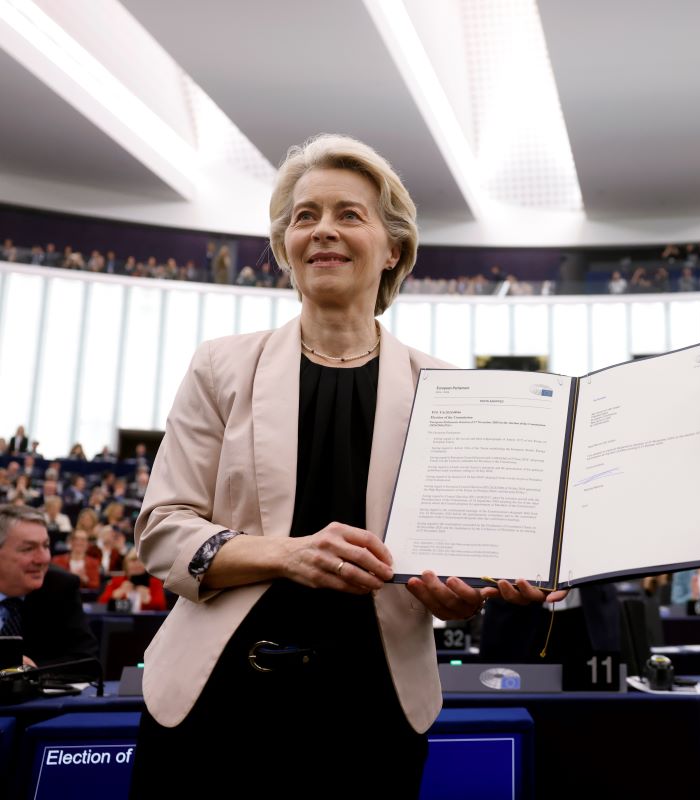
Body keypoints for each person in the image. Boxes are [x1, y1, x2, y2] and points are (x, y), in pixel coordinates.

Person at [129, 134, 561, 797]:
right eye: (306, 216)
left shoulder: (447, 390)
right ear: (287, 246)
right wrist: (287, 555)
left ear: (393, 249)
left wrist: (460, 597)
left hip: (374, 713)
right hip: (216, 703)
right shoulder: (221, 366)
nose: (322, 231)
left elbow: (454, 566)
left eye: (348, 214)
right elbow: (161, 535)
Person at [0, 505, 98, 667]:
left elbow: (86, 660)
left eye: (45, 546)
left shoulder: (60, 587)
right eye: (28, 549)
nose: (42, 559)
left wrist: (33, 672)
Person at [98, 550, 166, 612]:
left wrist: (148, 600)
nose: (137, 564)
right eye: (133, 560)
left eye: (140, 561)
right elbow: (101, 604)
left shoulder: (154, 582)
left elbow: (161, 606)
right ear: (126, 565)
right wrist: (117, 594)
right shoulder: (117, 581)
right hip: (122, 621)